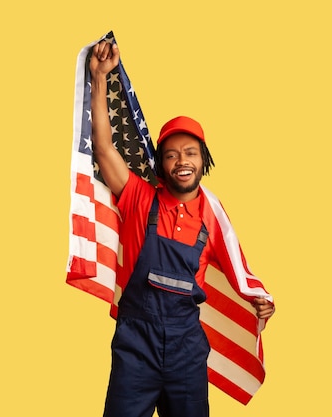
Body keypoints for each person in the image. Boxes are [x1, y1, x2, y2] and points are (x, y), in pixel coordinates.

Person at [89, 40, 275, 417]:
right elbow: (105, 148)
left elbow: (239, 270)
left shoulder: (213, 215)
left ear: (203, 161)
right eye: (171, 154)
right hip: (134, 345)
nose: (181, 161)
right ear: (161, 164)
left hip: (186, 351)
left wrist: (259, 299)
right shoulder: (139, 197)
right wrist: (98, 78)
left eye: (190, 153)